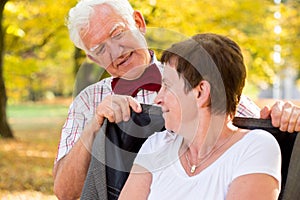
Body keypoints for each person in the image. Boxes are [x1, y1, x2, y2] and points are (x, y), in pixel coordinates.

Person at [52, 0, 300, 199]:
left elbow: (237, 124)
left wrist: (285, 117)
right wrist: (94, 126)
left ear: (138, 23)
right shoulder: (87, 102)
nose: (116, 52)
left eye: (117, 34)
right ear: (93, 60)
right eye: (100, 50)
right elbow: (65, 192)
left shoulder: (191, 75)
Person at [119, 33, 281, 199]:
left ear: (201, 92)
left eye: (168, 86)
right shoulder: (157, 145)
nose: (158, 99)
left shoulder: (255, 147)